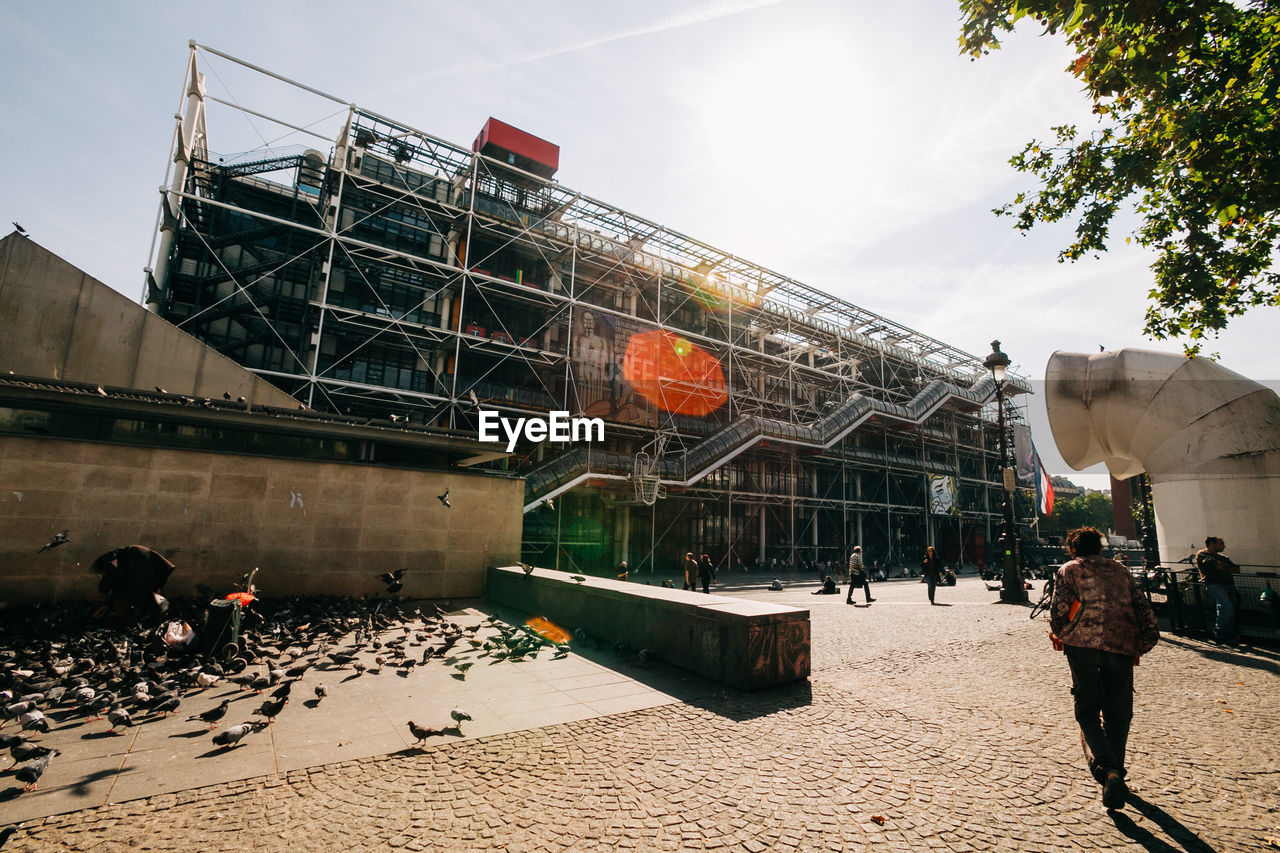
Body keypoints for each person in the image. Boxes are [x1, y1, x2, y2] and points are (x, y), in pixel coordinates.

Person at [1049, 527, 1160, 811]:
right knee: (1118, 714)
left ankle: (1109, 771)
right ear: (1100, 547)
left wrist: (1060, 633)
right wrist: (1142, 644)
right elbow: (1141, 607)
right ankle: (1116, 774)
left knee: (1087, 712)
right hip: (1120, 644)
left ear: (1073, 548)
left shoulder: (1069, 570)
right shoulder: (1121, 571)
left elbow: (1059, 609)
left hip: (1082, 645)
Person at [1196, 536, 1242, 644]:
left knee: (1229, 607)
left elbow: (1236, 569)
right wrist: (1226, 568)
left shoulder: (1223, 557)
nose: (1224, 546)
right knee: (1226, 606)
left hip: (1228, 584)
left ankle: (1227, 633)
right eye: (1221, 543)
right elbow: (1218, 566)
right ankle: (1222, 634)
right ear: (1212, 544)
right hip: (1214, 584)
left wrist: (1223, 567)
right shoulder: (1202, 554)